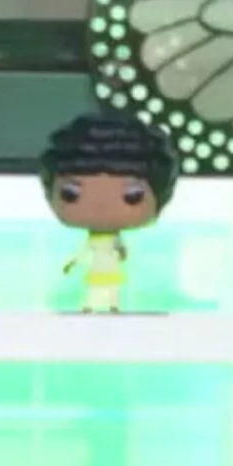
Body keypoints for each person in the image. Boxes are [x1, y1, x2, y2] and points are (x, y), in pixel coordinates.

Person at [41, 112, 177, 314]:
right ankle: (91, 306)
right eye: (70, 194)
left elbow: (119, 251)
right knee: (95, 290)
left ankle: (112, 306)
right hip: (97, 271)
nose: (100, 205)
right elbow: (85, 252)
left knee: (111, 290)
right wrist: (73, 263)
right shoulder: (94, 241)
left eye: (132, 196)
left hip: (110, 271)